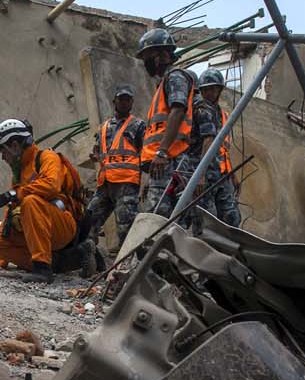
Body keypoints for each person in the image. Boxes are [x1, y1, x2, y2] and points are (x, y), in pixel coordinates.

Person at [0, 118, 81, 284]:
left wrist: (10, 195)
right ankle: (61, 262)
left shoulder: (47, 157)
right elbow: (12, 209)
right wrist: (2, 258)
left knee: (31, 201)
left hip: (62, 226)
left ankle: (42, 269)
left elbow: (51, 186)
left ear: (15, 146)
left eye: (3, 151)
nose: (3, 157)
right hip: (35, 230)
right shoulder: (19, 173)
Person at [134, 28, 202, 222]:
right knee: (168, 218)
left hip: (170, 158)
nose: (145, 62)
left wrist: (162, 152)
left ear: (163, 55)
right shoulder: (164, 83)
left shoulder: (175, 77)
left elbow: (178, 111)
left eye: (148, 56)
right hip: (165, 161)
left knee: (156, 220)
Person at [76, 84, 145, 265]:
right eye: (121, 99)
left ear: (131, 103)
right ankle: (91, 260)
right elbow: (100, 150)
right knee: (89, 222)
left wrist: (146, 182)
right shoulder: (104, 126)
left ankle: (127, 268)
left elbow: (145, 153)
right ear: (114, 101)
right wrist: (96, 155)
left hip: (126, 183)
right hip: (105, 183)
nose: (124, 102)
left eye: (127, 99)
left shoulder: (138, 125)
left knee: (126, 228)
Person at [191, 68, 242, 227]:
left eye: (213, 89)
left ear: (219, 89)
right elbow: (207, 140)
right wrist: (200, 175)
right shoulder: (201, 108)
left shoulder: (222, 114)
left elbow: (223, 150)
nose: (209, 93)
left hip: (221, 174)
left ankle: (226, 249)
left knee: (232, 217)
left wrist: (232, 174)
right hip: (204, 174)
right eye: (205, 89)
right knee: (206, 220)